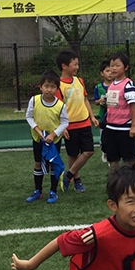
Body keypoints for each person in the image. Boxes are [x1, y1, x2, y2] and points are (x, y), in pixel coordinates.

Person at [55, 50, 99, 193]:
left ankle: (69, 175)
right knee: (73, 154)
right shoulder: (58, 85)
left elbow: (85, 99)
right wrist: (63, 128)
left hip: (84, 122)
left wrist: (92, 117)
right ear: (64, 66)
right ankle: (77, 180)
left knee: (88, 151)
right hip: (69, 125)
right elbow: (58, 108)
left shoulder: (79, 81)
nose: (77, 67)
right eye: (74, 64)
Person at [25, 71, 69, 204]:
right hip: (38, 138)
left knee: (52, 164)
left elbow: (65, 122)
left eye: (53, 87)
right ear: (41, 87)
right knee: (38, 163)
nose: (49, 89)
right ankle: (38, 191)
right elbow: (29, 116)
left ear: (57, 89)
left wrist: (53, 134)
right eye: (46, 86)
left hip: (53, 140)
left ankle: (53, 191)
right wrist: (37, 130)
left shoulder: (61, 105)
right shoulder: (34, 100)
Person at [103, 52, 135, 169]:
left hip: (125, 129)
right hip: (110, 128)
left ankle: (133, 183)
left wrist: (133, 126)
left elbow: (133, 106)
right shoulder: (111, 85)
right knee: (112, 160)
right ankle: (114, 184)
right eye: (111, 65)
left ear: (126, 67)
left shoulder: (129, 85)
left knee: (130, 161)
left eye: (117, 65)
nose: (113, 68)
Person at [94, 60, 113, 163]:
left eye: (111, 71)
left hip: (114, 115)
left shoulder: (116, 85)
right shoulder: (98, 87)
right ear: (102, 73)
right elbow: (95, 102)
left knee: (112, 136)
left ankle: (111, 154)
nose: (110, 73)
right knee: (103, 137)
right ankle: (104, 151)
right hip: (103, 116)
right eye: (107, 71)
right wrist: (100, 101)